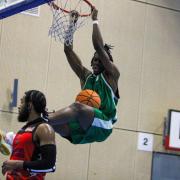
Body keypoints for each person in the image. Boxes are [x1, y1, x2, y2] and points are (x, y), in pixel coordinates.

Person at [48, 7, 120, 144]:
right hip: (85, 122)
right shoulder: (86, 76)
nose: (95, 62)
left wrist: (95, 20)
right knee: (54, 124)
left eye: (100, 60)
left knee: (77, 108)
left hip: (104, 124)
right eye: (94, 59)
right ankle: (44, 121)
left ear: (107, 62)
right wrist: (72, 24)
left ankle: (44, 117)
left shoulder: (112, 75)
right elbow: (68, 51)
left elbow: (98, 46)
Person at [1, 90, 56, 180]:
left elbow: (50, 165)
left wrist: (16, 164)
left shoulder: (44, 128)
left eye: (22, 102)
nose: (19, 106)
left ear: (29, 105)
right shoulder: (23, 129)